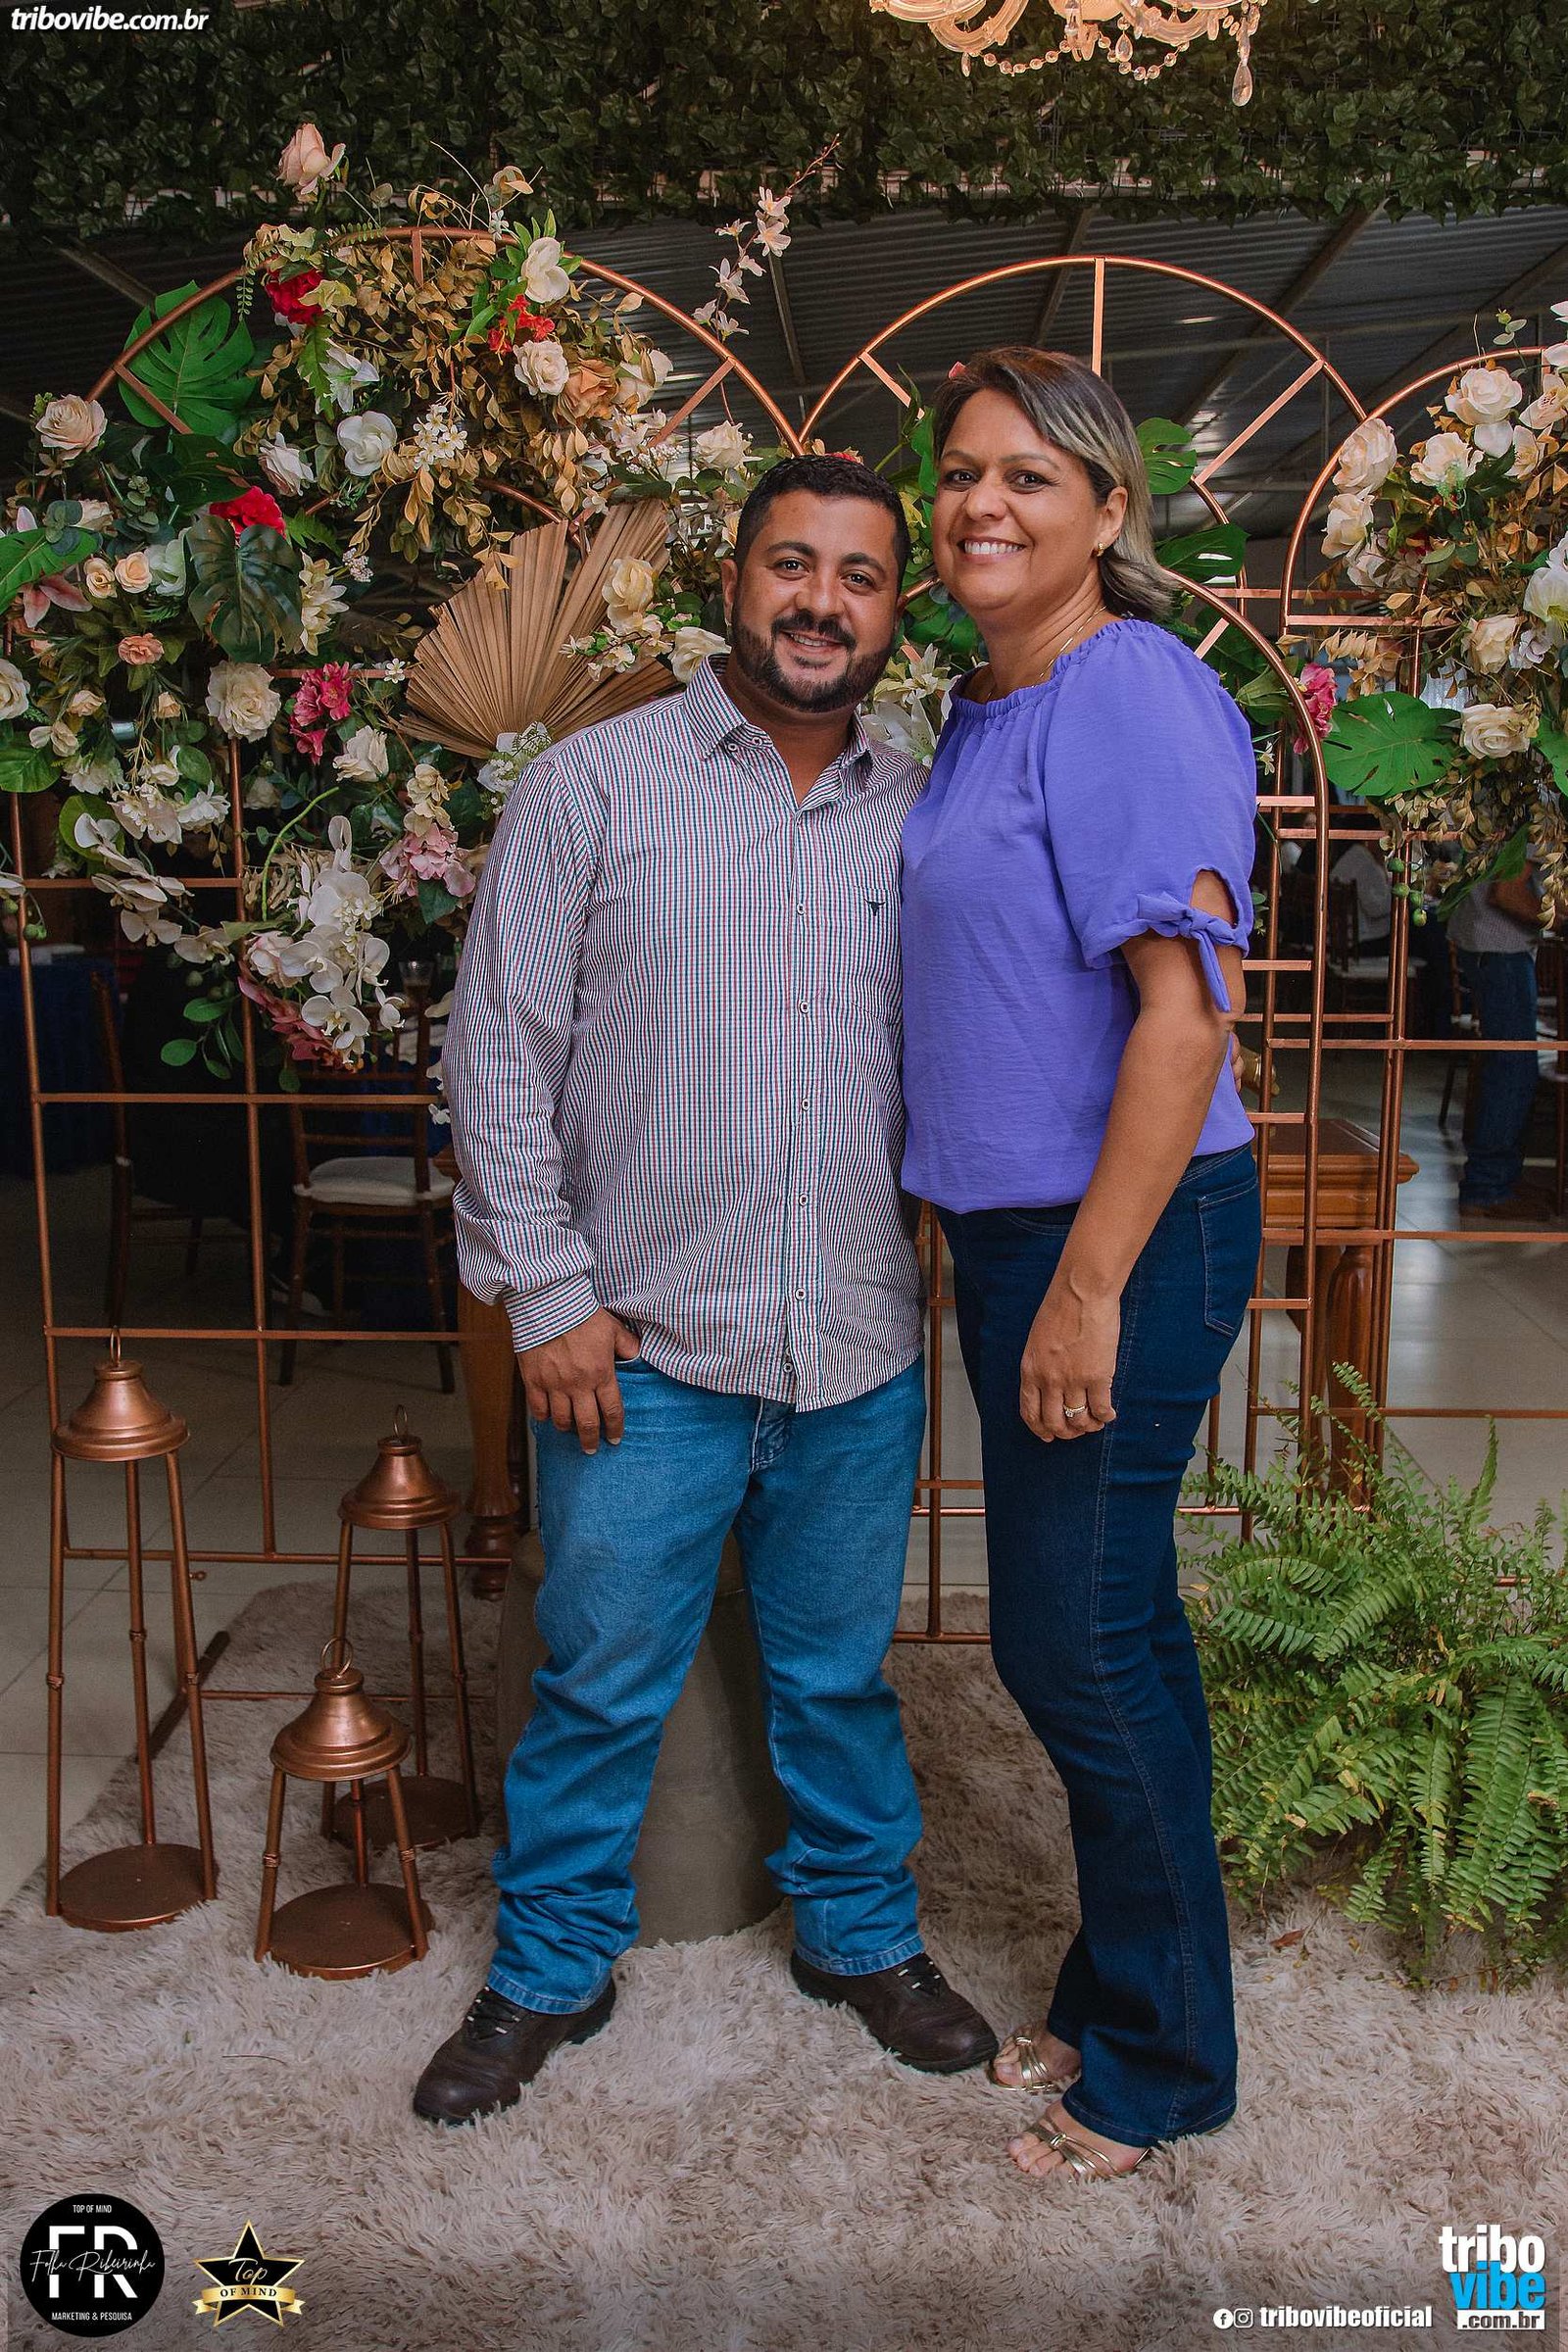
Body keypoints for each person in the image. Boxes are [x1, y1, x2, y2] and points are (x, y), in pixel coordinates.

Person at [415, 455, 998, 2127]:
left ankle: (861, 1937)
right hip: (643, 1349)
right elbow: (498, 1058)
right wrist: (545, 1300)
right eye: (791, 564)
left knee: (840, 1679)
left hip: (856, 1344)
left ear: (897, 611)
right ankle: (550, 1965)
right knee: (600, 1677)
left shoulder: (922, 811)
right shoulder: (592, 788)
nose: (822, 601)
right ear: (732, 584)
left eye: (860, 576)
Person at [899, 348, 1261, 2184]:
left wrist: (1090, 1286)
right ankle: (1130, 1988)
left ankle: (1168, 2067)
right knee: (1117, 1623)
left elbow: (1184, 1023)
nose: (983, 502)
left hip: (1120, 1229)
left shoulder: (1125, 689)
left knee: (1071, 1642)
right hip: (1020, 1229)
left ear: (1111, 511)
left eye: (1030, 476)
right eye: (962, 471)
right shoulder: (987, 701)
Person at [1448, 862, 1552, 1224]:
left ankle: (1503, 1177)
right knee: (1512, 1071)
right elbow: (1507, 893)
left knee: (1510, 1068)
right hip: (1501, 948)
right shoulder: (1526, 824)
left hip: (1489, 943)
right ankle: (1488, 1186)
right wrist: (1557, 920)